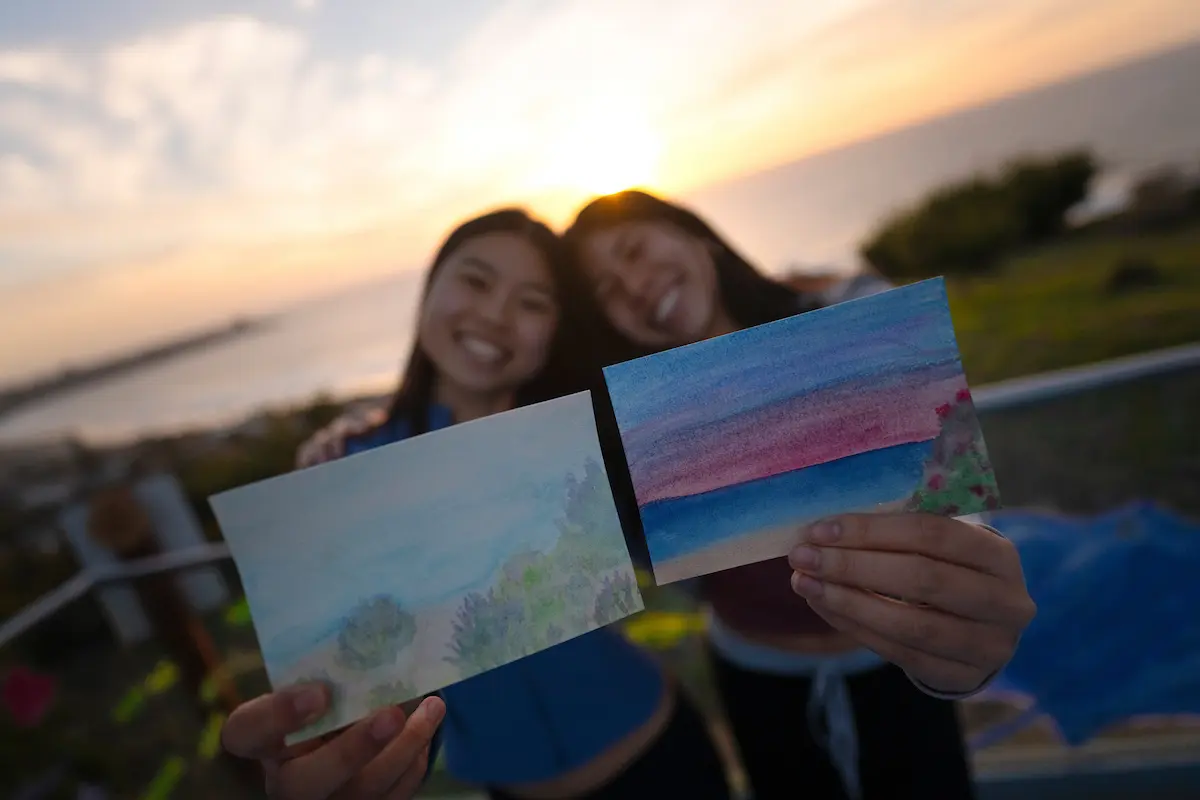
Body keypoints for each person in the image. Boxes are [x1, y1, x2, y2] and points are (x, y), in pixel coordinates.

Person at [221, 208, 734, 800]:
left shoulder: (584, 435)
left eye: (533, 301)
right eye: (476, 281)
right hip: (510, 787)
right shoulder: (346, 469)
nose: (495, 315)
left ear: (555, 329)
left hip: (662, 752)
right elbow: (370, 682)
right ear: (430, 288)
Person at [561, 189, 1037, 800]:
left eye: (633, 249)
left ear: (694, 234)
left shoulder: (842, 314)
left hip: (896, 668)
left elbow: (958, 506)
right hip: (757, 680)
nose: (634, 286)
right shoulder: (637, 429)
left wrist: (960, 617)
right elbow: (677, 574)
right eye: (605, 290)